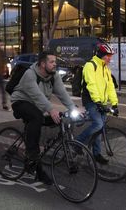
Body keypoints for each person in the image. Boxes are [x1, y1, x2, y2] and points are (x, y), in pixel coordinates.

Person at [11, 51, 78, 184]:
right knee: (36, 117)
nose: (55, 65)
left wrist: (73, 108)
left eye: (55, 62)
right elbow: (37, 96)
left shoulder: (54, 76)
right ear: (42, 64)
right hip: (21, 102)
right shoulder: (30, 74)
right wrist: (51, 109)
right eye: (52, 62)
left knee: (61, 117)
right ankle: (33, 160)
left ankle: (42, 144)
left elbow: (62, 93)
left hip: (37, 105)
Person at [76, 43, 119, 165]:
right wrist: (97, 101)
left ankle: (96, 154)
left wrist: (115, 104)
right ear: (101, 55)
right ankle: (78, 142)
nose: (110, 58)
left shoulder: (106, 68)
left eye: (111, 56)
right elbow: (91, 85)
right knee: (98, 124)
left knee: (100, 128)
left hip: (102, 102)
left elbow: (110, 87)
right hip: (91, 100)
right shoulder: (90, 66)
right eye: (108, 56)